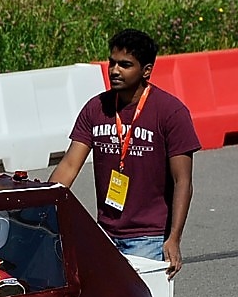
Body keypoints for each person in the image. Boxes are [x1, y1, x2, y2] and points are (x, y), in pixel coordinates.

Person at [48, 29, 200, 279]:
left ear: (146, 70)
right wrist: (43, 210)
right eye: (112, 63)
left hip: (149, 237)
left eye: (125, 65)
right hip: (104, 234)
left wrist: (174, 238)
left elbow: (182, 181)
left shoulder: (170, 112)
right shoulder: (96, 108)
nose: (115, 70)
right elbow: (69, 166)